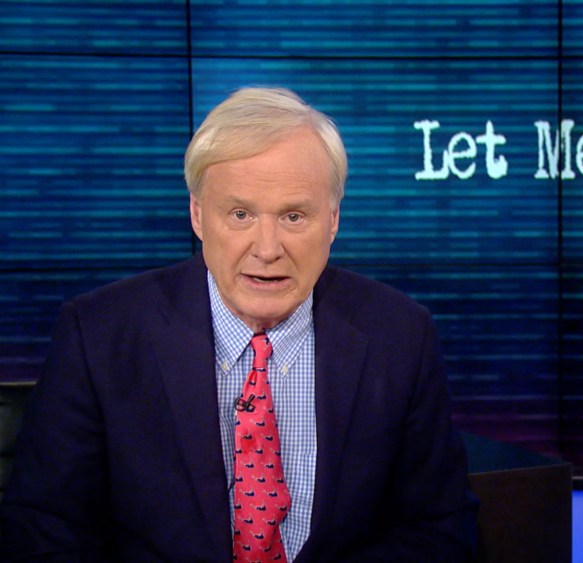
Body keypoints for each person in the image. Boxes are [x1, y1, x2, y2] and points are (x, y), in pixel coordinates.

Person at [0, 87, 478, 561]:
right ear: (197, 215)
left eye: (294, 216)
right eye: (240, 214)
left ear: (333, 220)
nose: (267, 249)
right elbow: (43, 534)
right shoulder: (100, 336)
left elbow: (441, 532)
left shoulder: (400, 336)